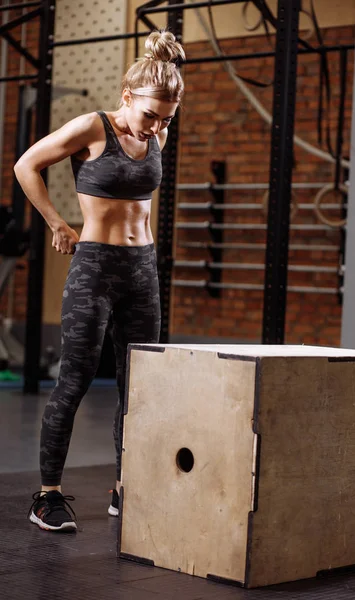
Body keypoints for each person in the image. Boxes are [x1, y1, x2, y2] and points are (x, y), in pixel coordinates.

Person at [14, 29, 185, 532]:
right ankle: (46, 495)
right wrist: (57, 223)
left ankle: (124, 487)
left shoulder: (159, 134)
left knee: (140, 387)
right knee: (77, 379)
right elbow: (27, 165)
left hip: (142, 269)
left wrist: (158, 129)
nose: (156, 126)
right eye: (150, 114)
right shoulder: (92, 127)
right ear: (127, 96)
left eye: (166, 118)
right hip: (94, 267)